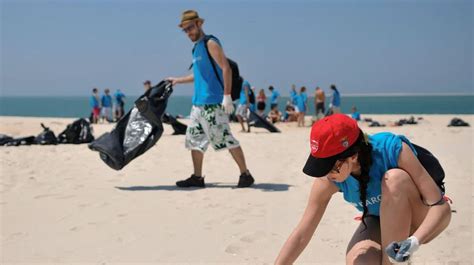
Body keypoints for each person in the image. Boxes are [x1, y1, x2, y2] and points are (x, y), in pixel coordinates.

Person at [275, 114, 451, 265]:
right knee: (361, 262)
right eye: (321, 166)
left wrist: (412, 242)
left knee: (394, 179)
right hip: (379, 219)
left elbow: (441, 208)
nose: (327, 174)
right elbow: (302, 234)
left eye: (331, 167)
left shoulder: (391, 149)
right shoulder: (327, 180)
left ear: (353, 156)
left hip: (422, 218)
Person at [166, 10, 254, 188]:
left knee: (225, 139)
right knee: (194, 140)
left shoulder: (210, 43)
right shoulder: (196, 48)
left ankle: (245, 175)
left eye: (190, 28)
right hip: (198, 104)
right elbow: (198, 75)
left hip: (213, 102)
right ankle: (197, 177)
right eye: (185, 30)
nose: (188, 32)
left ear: (199, 24)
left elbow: (226, 68)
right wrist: (178, 80)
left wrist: (227, 96)